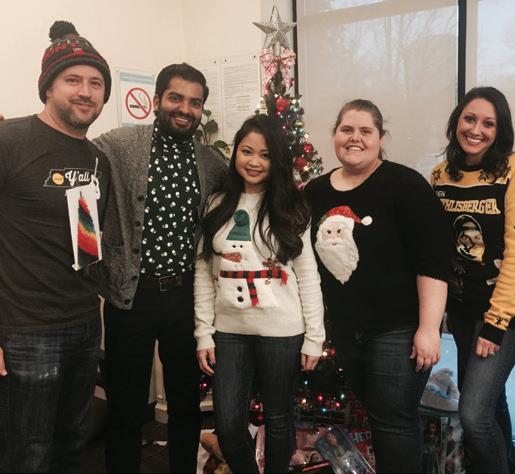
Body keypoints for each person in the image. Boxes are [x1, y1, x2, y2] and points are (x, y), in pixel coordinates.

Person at [304, 99, 451, 473]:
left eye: (365, 131)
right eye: (347, 129)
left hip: (396, 330)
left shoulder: (405, 185)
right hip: (345, 329)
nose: (355, 138)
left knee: (393, 422)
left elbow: (433, 262)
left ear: (380, 137)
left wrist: (429, 328)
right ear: (335, 135)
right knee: (378, 415)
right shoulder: (315, 192)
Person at [93, 63, 227, 473]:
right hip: (130, 296)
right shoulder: (118, 146)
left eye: (195, 102)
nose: (185, 109)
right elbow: (75, 163)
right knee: (126, 404)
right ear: (156, 101)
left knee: (185, 402)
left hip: (184, 298)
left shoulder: (211, 164)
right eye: (176, 98)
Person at [0, 21, 111, 472]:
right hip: (26, 330)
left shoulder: (97, 159)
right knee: (27, 455)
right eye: (73, 80)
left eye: (96, 83)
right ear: (48, 87)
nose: (85, 92)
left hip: (84, 323)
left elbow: (88, 241)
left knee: (71, 447)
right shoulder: (10, 142)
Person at [194, 113, 325, 473]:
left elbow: (308, 276)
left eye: (265, 155)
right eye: (247, 151)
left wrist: (314, 338)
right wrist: (203, 332)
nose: (254, 161)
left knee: (279, 419)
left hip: (282, 333)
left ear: (276, 160)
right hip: (229, 332)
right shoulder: (216, 204)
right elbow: (204, 273)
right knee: (228, 424)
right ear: (235, 152)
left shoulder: (291, 207)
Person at [430, 86, 515, 473]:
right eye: (469, 119)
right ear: (456, 121)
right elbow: (435, 246)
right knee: (491, 402)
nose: (476, 129)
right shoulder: (441, 175)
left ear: (500, 130)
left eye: (488, 123)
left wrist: (496, 324)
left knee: (474, 414)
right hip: (462, 309)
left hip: (502, 314)